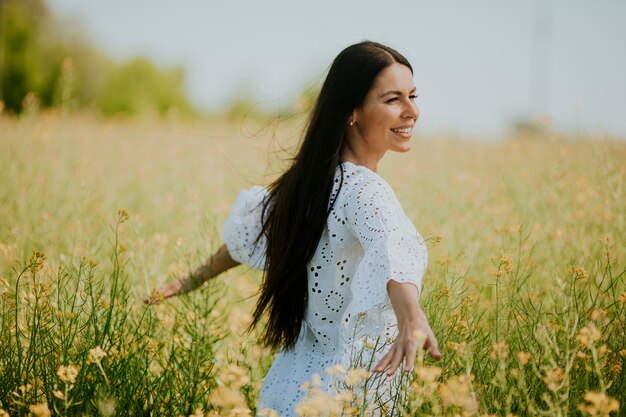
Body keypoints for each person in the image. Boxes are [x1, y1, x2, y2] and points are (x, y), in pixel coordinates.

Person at [145, 41, 441, 416]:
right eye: (393, 99)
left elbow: (249, 235)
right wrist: (411, 314)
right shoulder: (366, 191)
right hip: (350, 389)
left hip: (296, 384)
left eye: (413, 96)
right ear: (352, 110)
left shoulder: (311, 184)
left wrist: (192, 279)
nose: (412, 111)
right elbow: (391, 249)